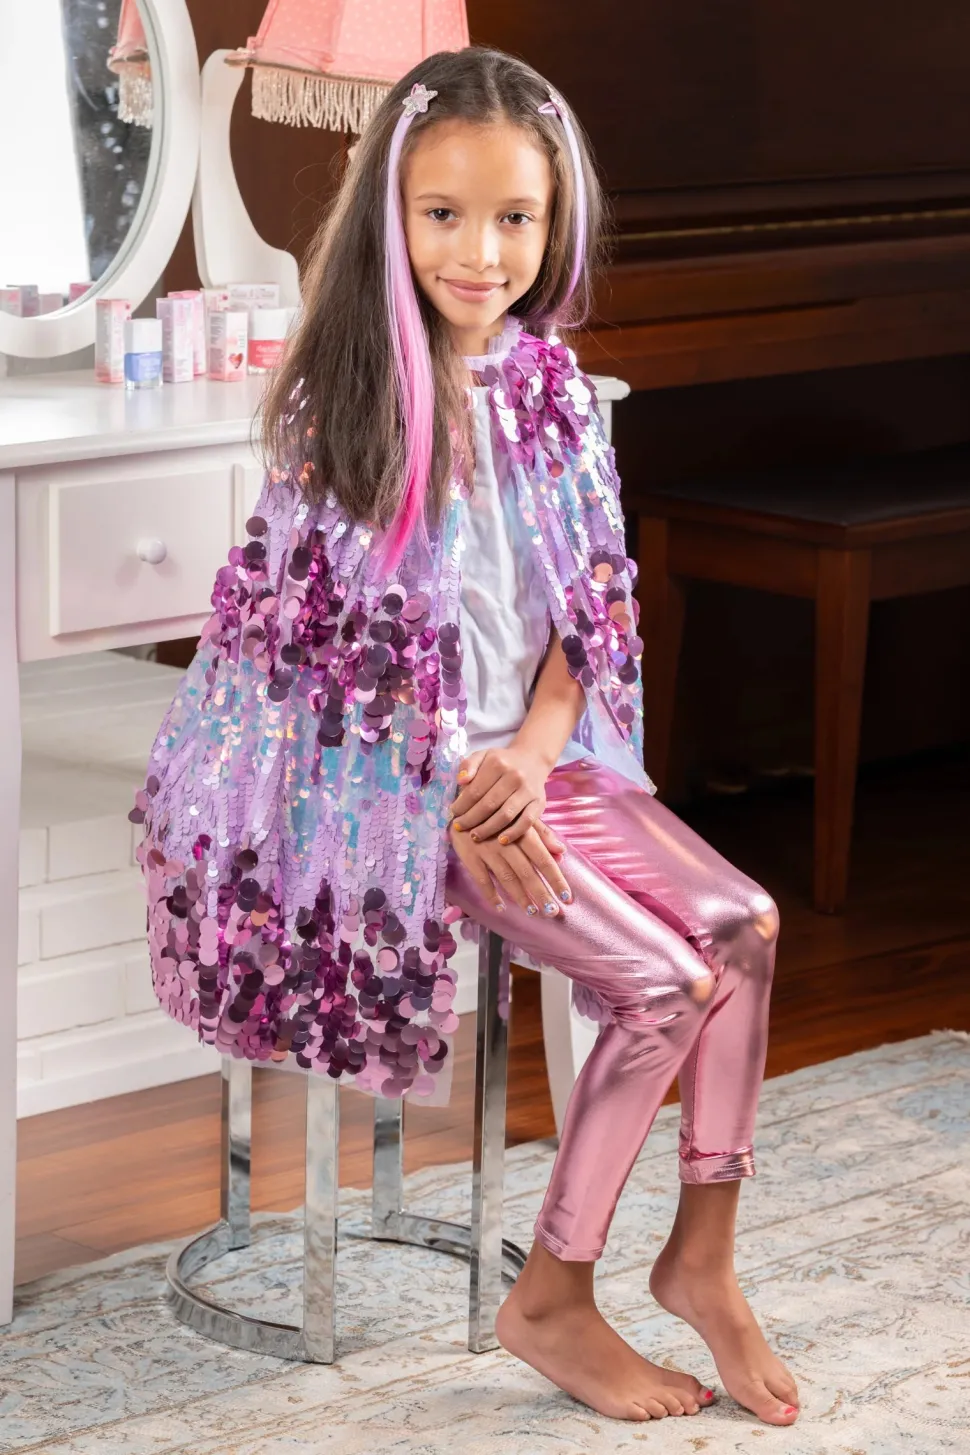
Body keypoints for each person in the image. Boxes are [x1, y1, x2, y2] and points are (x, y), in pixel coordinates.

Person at [134, 46, 799, 1427]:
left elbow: (593, 601)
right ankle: (551, 1293)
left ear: (554, 225)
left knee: (745, 925)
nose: (480, 252)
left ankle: (703, 1258)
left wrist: (536, 754)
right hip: (396, 797)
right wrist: (460, 790)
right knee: (664, 985)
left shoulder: (553, 390)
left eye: (514, 218)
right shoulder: (346, 405)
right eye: (443, 214)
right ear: (391, 213)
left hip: (534, 767)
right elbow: (326, 660)